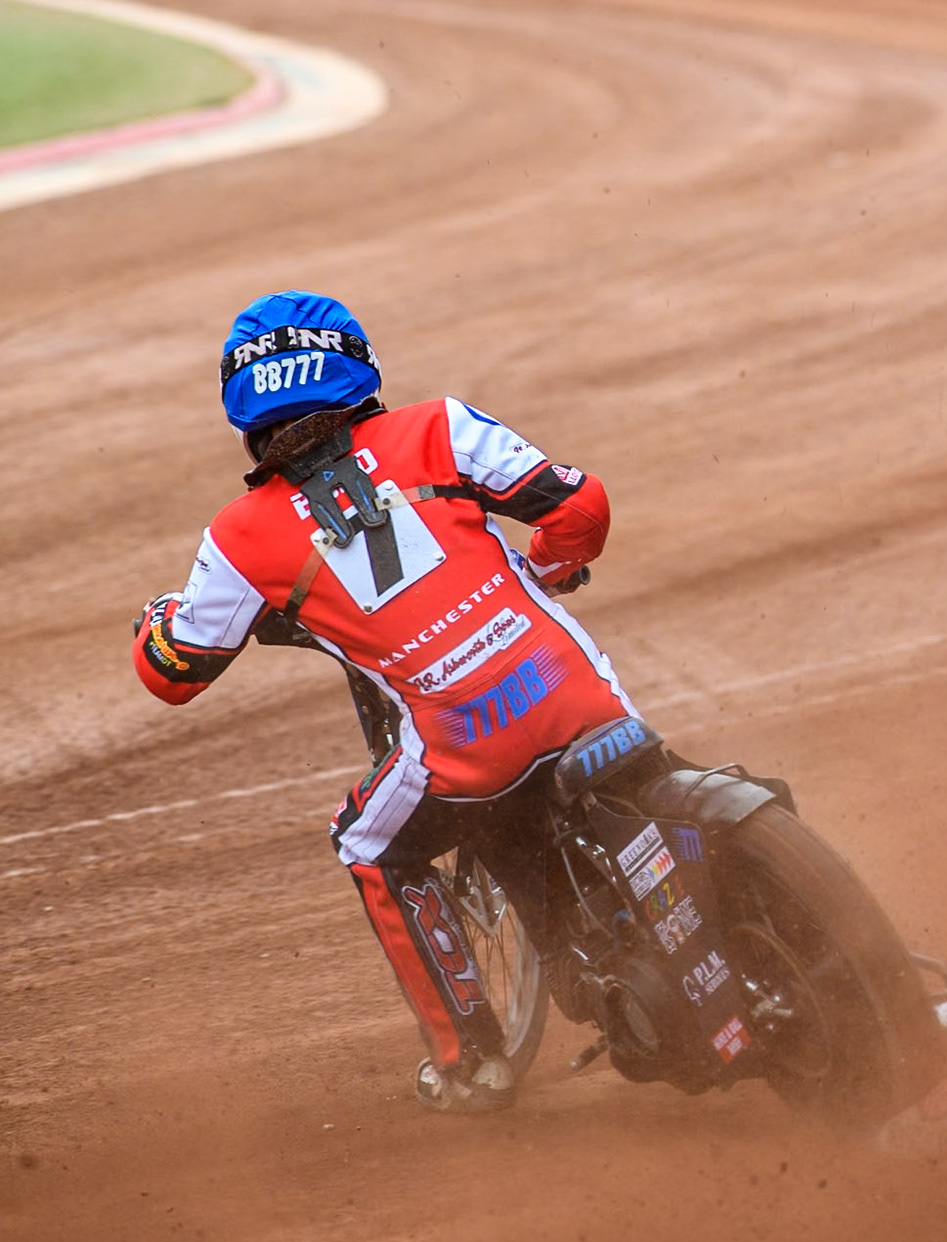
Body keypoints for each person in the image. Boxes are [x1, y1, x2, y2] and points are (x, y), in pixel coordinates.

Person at [132, 290, 632, 1113]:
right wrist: (543, 571)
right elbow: (580, 506)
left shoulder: (240, 535)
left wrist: (154, 622)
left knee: (366, 839)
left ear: (241, 406)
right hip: (581, 691)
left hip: (466, 752)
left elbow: (171, 672)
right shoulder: (439, 425)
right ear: (355, 362)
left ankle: (473, 1062)